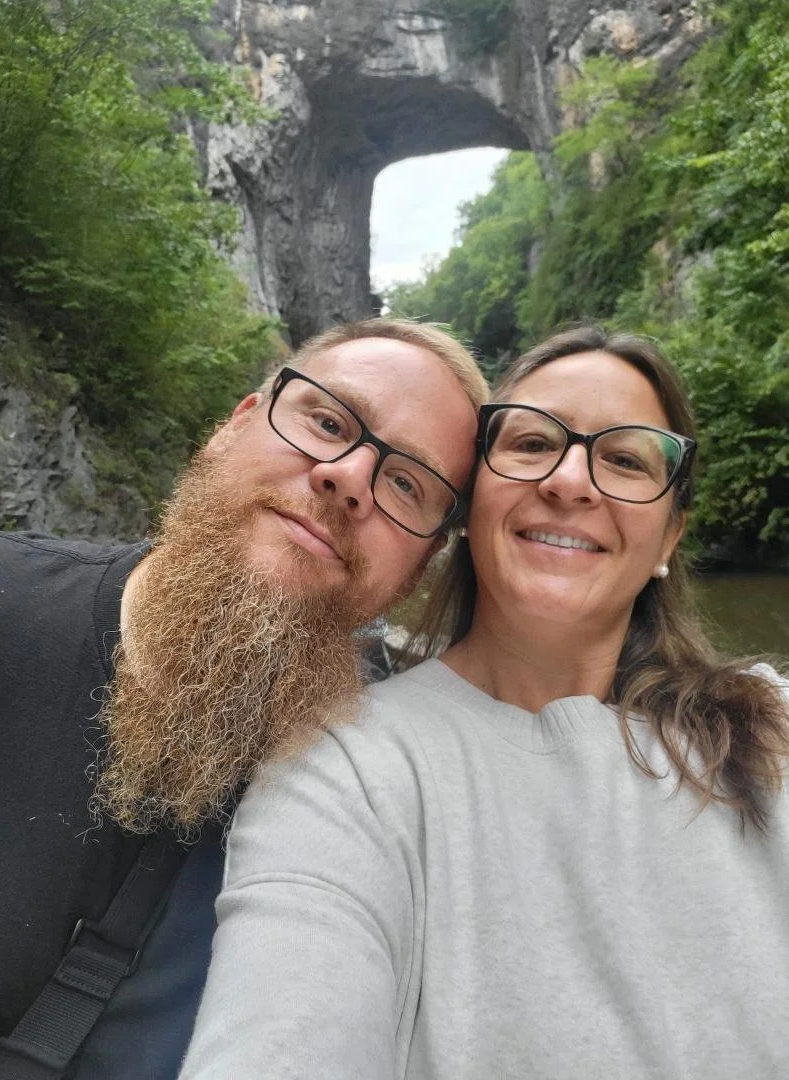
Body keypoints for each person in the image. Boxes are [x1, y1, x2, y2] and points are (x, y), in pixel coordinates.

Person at [180, 326, 789, 1080]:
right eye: (532, 444)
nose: (571, 481)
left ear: (670, 534)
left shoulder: (772, 730)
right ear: (472, 506)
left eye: (626, 459)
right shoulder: (345, 766)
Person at [0, 317, 489, 1080]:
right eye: (326, 421)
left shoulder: (393, 784)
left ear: (419, 571)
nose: (349, 476)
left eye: (408, 484)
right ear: (233, 427)